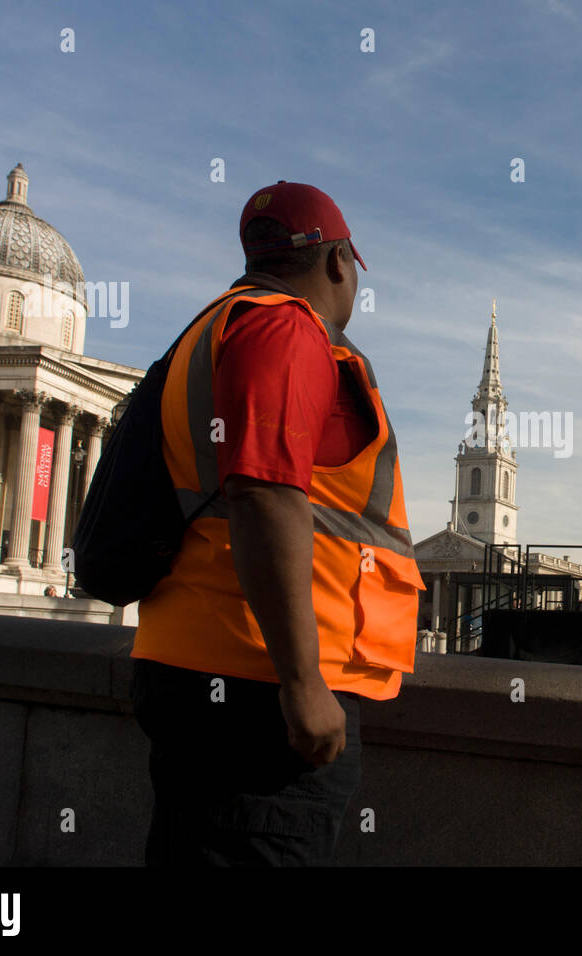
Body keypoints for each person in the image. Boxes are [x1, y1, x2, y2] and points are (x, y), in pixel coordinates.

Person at [130, 181, 423, 867]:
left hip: (203, 661)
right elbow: (264, 494)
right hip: (256, 691)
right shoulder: (286, 329)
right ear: (337, 262)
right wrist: (302, 681)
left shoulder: (211, 329)